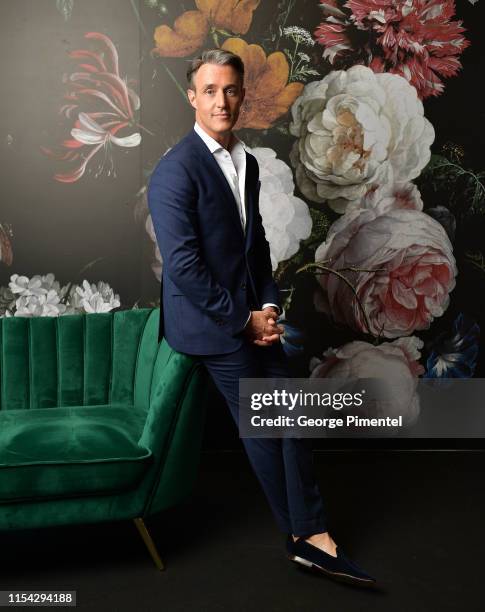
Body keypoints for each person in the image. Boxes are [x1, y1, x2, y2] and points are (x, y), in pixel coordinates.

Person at [147, 48, 375, 587]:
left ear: (242, 95)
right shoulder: (173, 172)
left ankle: (308, 535)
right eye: (209, 91)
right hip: (207, 325)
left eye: (230, 90)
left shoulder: (246, 162)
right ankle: (309, 536)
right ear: (191, 97)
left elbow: (256, 248)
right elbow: (183, 268)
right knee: (271, 421)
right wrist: (243, 321)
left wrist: (268, 306)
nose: (221, 101)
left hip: (251, 314)